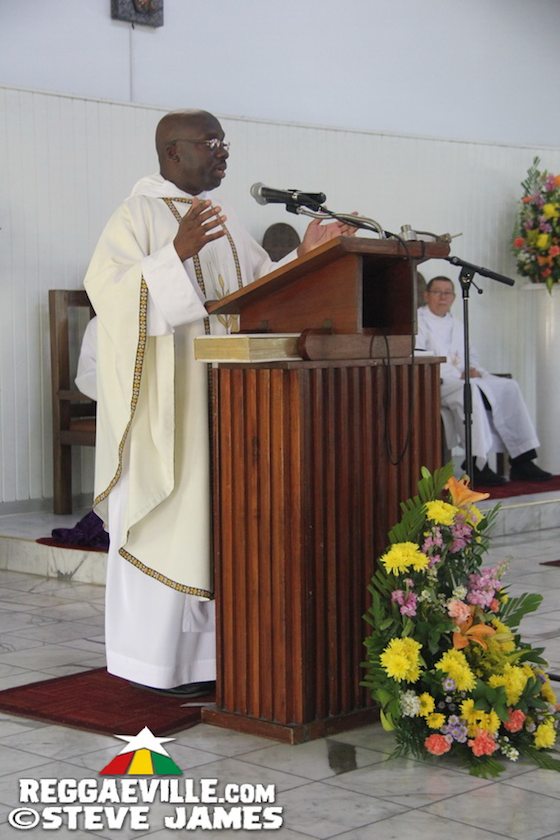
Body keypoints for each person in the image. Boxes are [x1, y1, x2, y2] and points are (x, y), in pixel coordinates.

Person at [83, 109, 356, 695]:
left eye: (224, 141)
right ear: (172, 152)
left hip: (224, 406)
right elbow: (107, 294)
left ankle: (208, 661)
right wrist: (173, 255)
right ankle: (149, 663)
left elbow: (262, 293)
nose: (223, 151)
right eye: (211, 142)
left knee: (214, 528)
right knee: (168, 522)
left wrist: (304, 258)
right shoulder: (136, 214)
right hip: (166, 412)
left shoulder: (222, 223)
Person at [416, 275, 552, 486]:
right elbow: (421, 357)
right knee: (468, 391)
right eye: (437, 292)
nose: (443, 297)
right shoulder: (419, 321)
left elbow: (471, 354)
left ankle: (522, 459)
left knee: (508, 387)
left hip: (462, 378)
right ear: (426, 295)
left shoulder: (457, 324)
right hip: (437, 382)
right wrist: (457, 374)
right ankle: (477, 464)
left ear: (453, 297)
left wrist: (473, 369)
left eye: (448, 292)